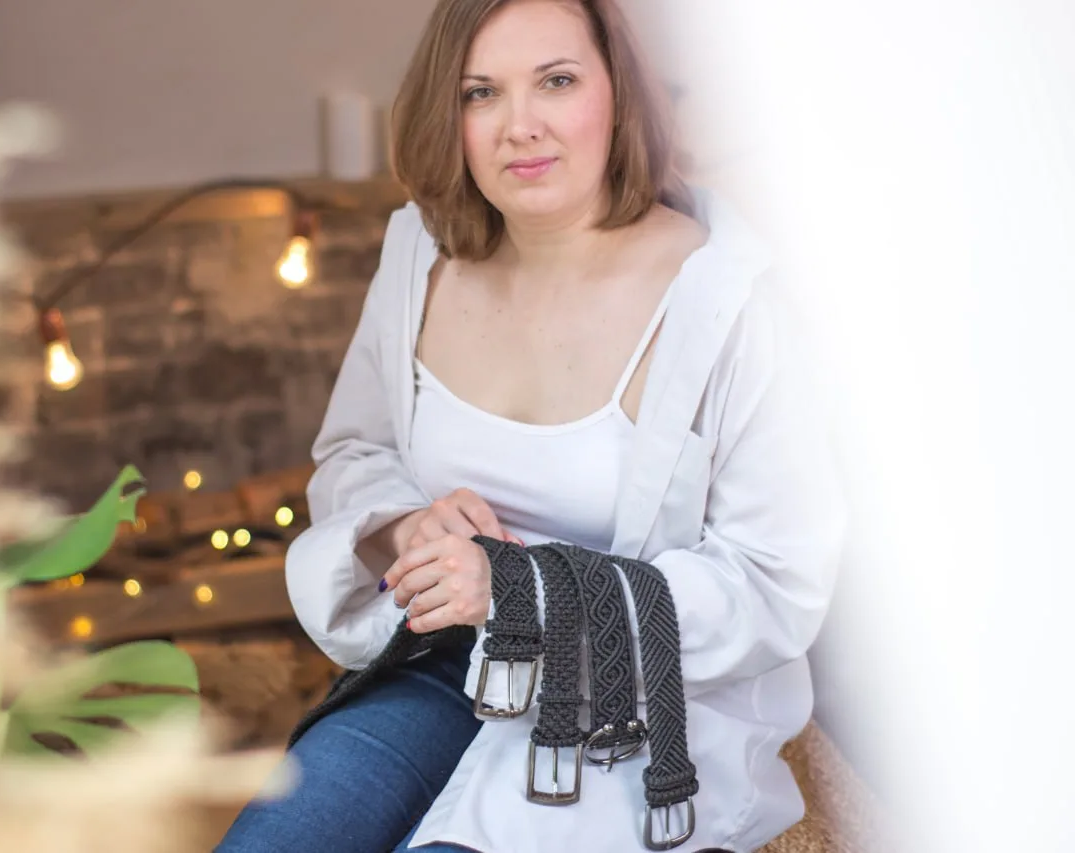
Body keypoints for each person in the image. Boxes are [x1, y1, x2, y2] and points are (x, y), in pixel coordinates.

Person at [216, 0, 844, 850]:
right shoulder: (420, 254)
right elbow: (355, 451)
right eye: (480, 92)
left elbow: (774, 583)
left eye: (556, 81)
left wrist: (518, 592)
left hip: (630, 710)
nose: (520, 126)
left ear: (618, 93)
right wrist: (406, 525)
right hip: (445, 663)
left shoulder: (729, 300)